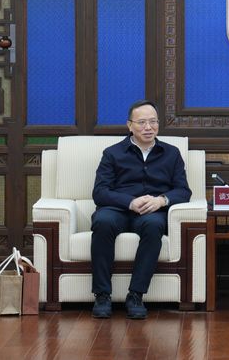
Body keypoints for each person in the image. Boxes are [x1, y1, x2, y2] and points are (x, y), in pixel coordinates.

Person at [91, 100, 192, 319]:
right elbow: (99, 192)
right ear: (130, 125)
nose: (149, 127)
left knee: (154, 226)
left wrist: (161, 200)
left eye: (153, 122)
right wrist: (130, 202)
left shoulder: (172, 153)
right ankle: (102, 295)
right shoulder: (112, 153)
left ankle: (136, 295)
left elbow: (183, 191)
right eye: (142, 122)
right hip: (118, 209)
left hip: (151, 211)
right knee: (102, 222)